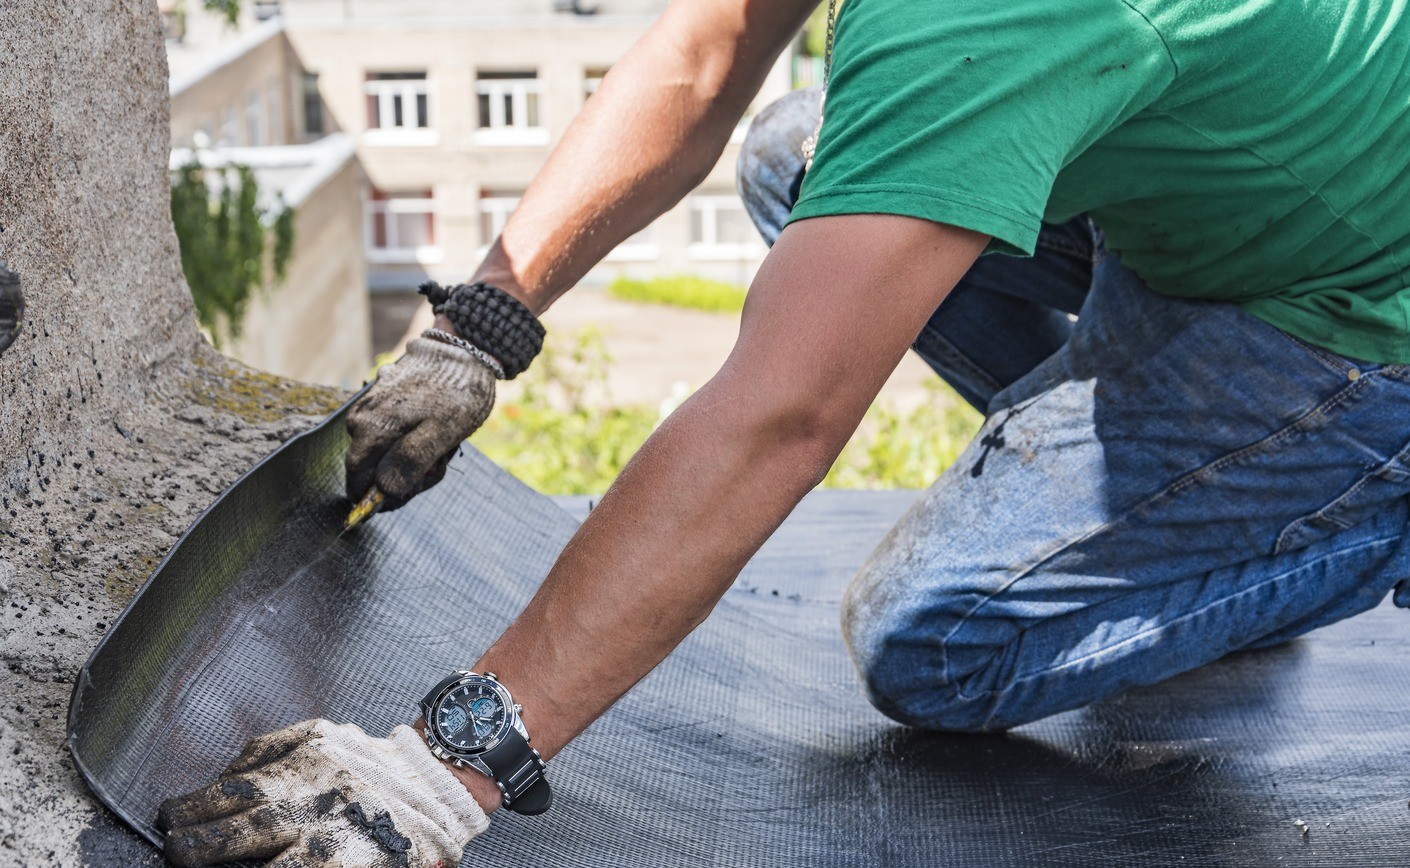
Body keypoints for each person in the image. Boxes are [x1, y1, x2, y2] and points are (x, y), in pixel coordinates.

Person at [157, 0, 1410, 864]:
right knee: (802, 159)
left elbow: (782, 418)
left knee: (936, 644)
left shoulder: (984, 26)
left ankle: (1326, 504)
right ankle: (1179, 486)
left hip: (1355, 320)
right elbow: (701, 60)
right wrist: (479, 326)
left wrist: (447, 764)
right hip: (1246, 188)